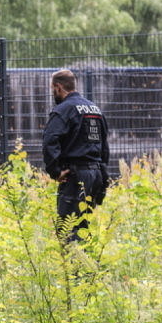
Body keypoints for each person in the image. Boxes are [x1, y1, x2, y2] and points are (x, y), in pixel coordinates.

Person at [42, 69, 110, 242]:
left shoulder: (63, 110)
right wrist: (101, 172)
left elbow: (50, 140)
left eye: (52, 88)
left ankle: (75, 268)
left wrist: (55, 171)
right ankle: (89, 267)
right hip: (96, 174)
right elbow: (104, 144)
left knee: (67, 228)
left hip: (76, 175)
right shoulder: (94, 109)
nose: (53, 92)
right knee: (82, 226)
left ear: (58, 87)